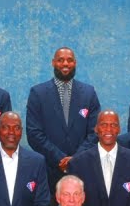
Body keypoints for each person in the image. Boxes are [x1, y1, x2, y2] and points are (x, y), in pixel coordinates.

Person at [25, 47, 100, 186]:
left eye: (69, 60)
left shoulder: (89, 93)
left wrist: (76, 159)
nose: (65, 63)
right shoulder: (38, 93)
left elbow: (95, 132)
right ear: (53, 62)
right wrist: (60, 158)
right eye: (60, 60)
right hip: (49, 171)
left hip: (83, 169)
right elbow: (34, 134)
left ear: (75, 63)